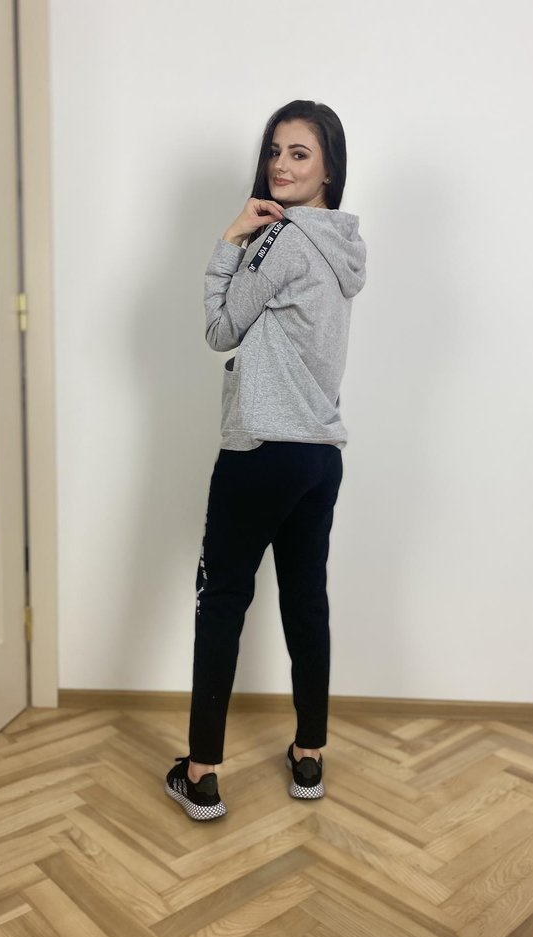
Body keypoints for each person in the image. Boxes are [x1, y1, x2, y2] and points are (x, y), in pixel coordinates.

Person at [164, 99, 367, 821]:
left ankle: (201, 773)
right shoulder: (343, 244)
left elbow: (221, 329)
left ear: (329, 168)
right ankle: (308, 756)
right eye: (275, 150)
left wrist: (229, 238)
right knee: (305, 603)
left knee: (221, 603)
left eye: (299, 153)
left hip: (259, 450)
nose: (281, 165)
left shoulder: (279, 240)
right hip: (318, 457)